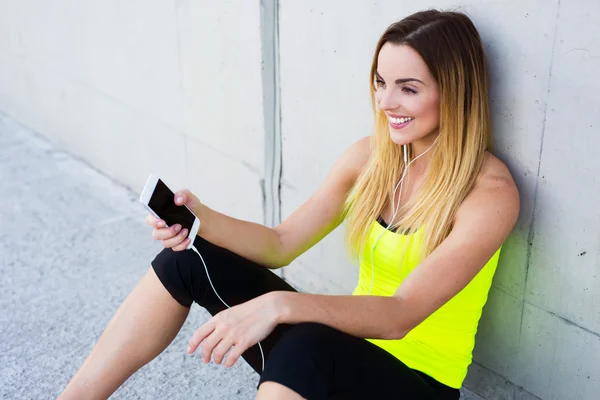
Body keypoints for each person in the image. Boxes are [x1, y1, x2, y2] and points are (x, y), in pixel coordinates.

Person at [59, 9, 520, 400]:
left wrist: (280, 305)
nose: (385, 101)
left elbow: (400, 314)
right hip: (340, 356)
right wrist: (200, 219)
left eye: (408, 88)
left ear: (455, 92)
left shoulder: (488, 194)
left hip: (417, 384)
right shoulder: (372, 159)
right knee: (186, 260)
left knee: (308, 342)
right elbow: (280, 244)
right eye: (380, 82)